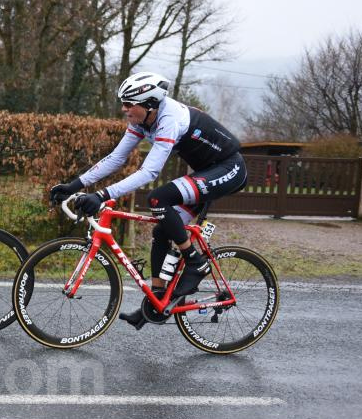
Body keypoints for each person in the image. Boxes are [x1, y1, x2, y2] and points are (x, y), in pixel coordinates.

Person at [49, 72, 247, 329]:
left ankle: (196, 263)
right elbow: (116, 158)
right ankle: (157, 301)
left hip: (229, 168)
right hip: (204, 172)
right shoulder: (142, 121)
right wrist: (74, 185)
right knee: (162, 229)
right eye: (124, 103)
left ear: (150, 104)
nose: (124, 109)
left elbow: (149, 172)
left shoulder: (168, 119)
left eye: (130, 104)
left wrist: (102, 195)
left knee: (157, 199)